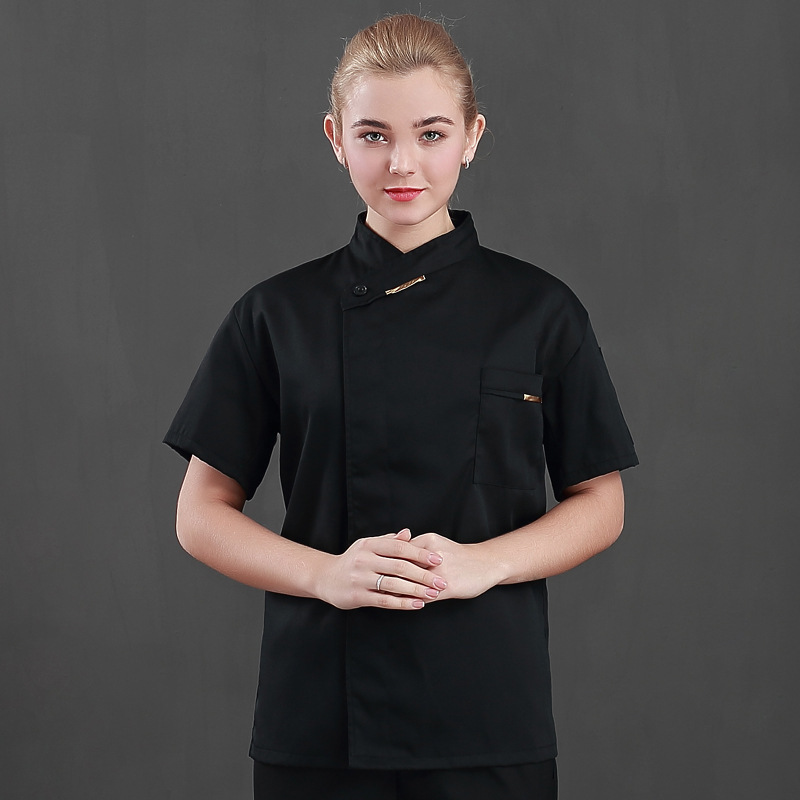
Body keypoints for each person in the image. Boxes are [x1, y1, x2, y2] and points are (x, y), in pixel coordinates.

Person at [163, 13, 638, 800]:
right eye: (374, 135)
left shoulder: (540, 310)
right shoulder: (276, 314)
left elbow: (602, 502)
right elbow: (198, 515)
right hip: (318, 714)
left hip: (489, 709)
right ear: (336, 139)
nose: (402, 163)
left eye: (431, 133)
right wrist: (326, 575)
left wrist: (484, 564)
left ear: (472, 137)